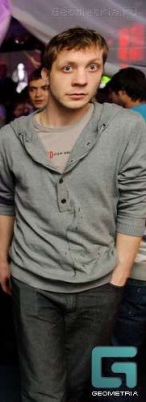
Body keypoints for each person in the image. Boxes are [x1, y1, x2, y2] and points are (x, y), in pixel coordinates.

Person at [0, 27, 146, 401]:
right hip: (34, 282)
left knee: (81, 384)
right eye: (68, 68)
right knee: (43, 392)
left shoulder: (125, 127)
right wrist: (2, 259)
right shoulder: (12, 137)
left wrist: (119, 273)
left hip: (100, 283)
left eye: (92, 67)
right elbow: (5, 200)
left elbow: (134, 200)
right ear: (46, 74)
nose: (81, 80)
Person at [108, 66, 146, 371]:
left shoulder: (127, 124)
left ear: (122, 92)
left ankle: (116, 387)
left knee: (123, 336)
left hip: (135, 256)